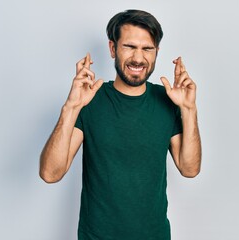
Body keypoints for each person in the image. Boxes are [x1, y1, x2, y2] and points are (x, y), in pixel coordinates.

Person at [39, 9, 201, 240]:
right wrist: (71, 107)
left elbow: (189, 169)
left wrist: (189, 109)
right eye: (129, 47)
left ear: (156, 52)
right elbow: (50, 173)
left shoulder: (168, 101)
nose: (138, 58)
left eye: (147, 49)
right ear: (113, 48)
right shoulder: (90, 100)